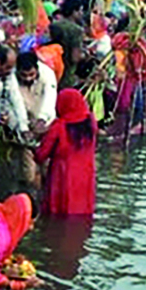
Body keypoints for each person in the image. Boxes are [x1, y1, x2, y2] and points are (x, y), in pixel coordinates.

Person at [34, 89, 97, 217]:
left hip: (62, 175)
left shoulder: (59, 126)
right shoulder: (91, 122)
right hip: (85, 175)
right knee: (81, 209)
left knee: (59, 210)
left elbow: (41, 154)